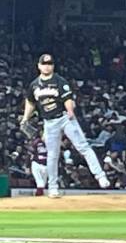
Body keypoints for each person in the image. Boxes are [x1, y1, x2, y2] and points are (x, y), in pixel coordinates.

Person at [20, 54, 110, 198]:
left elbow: (67, 98)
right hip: (49, 122)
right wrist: (25, 118)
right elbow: (30, 102)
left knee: (83, 146)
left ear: (53, 66)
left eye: (49, 63)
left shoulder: (60, 81)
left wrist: (70, 111)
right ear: (39, 66)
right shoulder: (34, 85)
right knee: (52, 155)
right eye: (44, 63)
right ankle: (53, 187)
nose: (47, 66)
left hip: (65, 118)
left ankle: (100, 176)